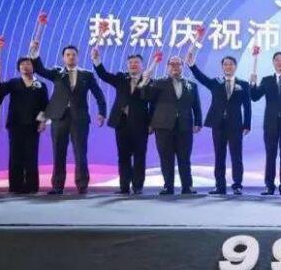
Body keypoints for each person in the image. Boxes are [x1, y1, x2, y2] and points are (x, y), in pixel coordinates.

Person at [29, 41, 106, 195]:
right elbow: (39, 69)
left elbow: (98, 94)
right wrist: (34, 52)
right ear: (63, 58)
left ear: (78, 57)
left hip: (80, 119)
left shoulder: (87, 75)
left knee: (80, 153)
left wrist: (102, 112)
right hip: (59, 118)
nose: (71, 57)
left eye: (73, 55)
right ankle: (57, 186)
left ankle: (82, 185)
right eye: (68, 55)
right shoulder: (57, 72)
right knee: (58, 153)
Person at [188, 48, 251, 195]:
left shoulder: (243, 84)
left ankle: (237, 185)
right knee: (219, 155)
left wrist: (247, 124)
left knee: (236, 156)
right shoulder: (215, 82)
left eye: (231, 64)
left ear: (235, 67)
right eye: (225, 64)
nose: (228, 66)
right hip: (218, 124)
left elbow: (247, 106)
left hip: (236, 125)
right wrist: (192, 66)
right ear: (222, 67)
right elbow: (201, 78)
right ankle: (220, 186)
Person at [92, 48, 150, 195]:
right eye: (131, 62)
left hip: (141, 124)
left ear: (142, 65)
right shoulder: (120, 78)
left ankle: (138, 186)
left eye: (136, 62)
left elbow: (153, 104)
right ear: (127, 65)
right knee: (123, 156)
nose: (133, 65)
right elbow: (103, 75)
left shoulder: (149, 81)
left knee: (139, 156)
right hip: (121, 123)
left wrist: (152, 124)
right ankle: (124, 187)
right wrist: (97, 60)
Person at [142, 55, 202, 195]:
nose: (175, 67)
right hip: (163, 127)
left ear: (182, 66)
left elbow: (196, 106)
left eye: (178, 64)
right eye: (172, 64)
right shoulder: (158, 83)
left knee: (184, 158)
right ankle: (168, 186)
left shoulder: (191, 85)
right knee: (166, 158)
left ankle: (187, 186)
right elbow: (147, 99)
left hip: (185, 126)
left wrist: (198, 122)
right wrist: (145, 81)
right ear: (168, 67)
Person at [250, 52, 281, 196]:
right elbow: (254, 97)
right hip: (270, 123)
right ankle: (269, 186)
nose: (280, 63)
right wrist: (252, 84)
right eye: (277, 60)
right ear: (273, 63)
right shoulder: (266, 80)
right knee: (270, 155)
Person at [0, 57, 49, 194]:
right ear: (19, 68)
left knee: (31, 155)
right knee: (15, 155)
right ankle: (16, 186)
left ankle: (31, 186)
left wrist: (43, 122)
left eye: (28, 64)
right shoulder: (13, 83)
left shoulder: (40, 85)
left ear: (33, 67)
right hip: (15, 125)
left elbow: (45, 106)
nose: (25, 66)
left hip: (33, 126)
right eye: (22, 64)